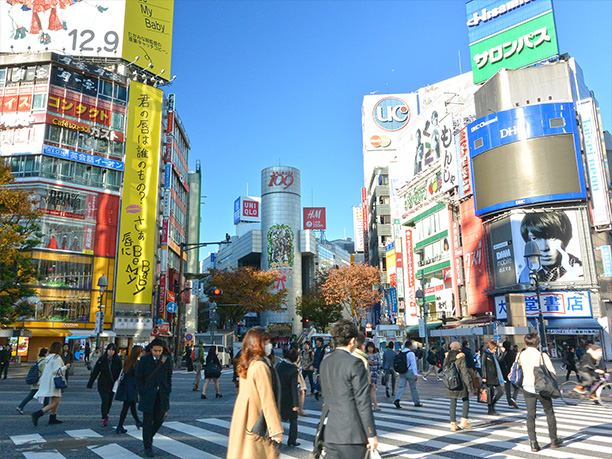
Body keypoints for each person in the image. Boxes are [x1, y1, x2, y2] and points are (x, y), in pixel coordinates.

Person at [319, 319, 378, 458]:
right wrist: (371, 433)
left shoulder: (326, 361)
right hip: (352, 433)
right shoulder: (355, 363)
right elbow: (362, 401)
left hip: (330, 431)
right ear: (352, 341)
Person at [227, 327, 283, 458]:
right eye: (266, 342)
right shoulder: (260, 366)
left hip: (243, 417)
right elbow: (267, 398)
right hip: (257, 420)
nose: (269, 345)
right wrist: (275, 429)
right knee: (258, 453)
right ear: (258, 344)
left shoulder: (247, 364)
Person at [518, 333, 562, 452]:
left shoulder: (521, 354)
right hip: (542, 388)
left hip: (527, 387)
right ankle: (554, 440)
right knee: (549, 412)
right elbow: (552, 372)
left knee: (530, 415)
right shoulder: (541, 355)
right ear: (537, 342)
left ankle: (533, 443)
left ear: (526, 342)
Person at [518, 211, 583, 283]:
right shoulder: (534, 277)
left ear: (565, 237)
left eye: (552, 237)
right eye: (534, 238)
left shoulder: (579, 270)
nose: (544, 248)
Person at [136, 338, 173, 458]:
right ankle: (148, 447)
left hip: (162, 394)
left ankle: (148, 437)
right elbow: (138, 377)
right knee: (147, 422)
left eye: (160, 351)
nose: (158, 353)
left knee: (159, 420)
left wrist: (167, 391)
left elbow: (169, 377)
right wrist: (142, 392)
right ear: (151, 349)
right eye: (155, 350)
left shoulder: (166, 360)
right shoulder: (144, 360)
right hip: (148, 395)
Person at [31, 342, 71, 426]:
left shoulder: (49, 357)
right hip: (54, 381)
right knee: (55, 401)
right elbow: (56, 371)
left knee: (56, 399)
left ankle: (53, 417)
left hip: (48, 381)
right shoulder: (57, 358)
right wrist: (65, 367)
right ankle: (38, 413)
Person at [87, 343, 122, 427]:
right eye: (109, 350)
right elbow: (96, 371)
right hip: (102, 383)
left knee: (109, 401)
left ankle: (106, 414)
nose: (111, 352)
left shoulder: (117, 360)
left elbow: (120, 373)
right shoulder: (102, 359)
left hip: (112, 384)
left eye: (112, 350)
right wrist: (90, 382)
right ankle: (104, 418)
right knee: (105, 400)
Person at [444, 341, 474, 431]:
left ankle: (453, 424)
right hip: (460, 383)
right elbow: (464, 372)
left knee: (453, 403)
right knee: (465, 399)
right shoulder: (461, 357)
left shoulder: (447, 356)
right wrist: (469, 385)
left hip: (450, 383)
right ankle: (464, 421)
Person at [115, 345, 143, 434]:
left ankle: (137, 421)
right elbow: (138, 375)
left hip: (126, 384)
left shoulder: (128, 360)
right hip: (132, 386)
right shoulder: (136, 363)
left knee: (130, 405)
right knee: (128, 405)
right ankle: (120, 425)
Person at [276, 347, 300, 447]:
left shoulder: (279, 365)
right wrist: (296, 404)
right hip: (289, 398)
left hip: (278, 396)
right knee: (293, 419)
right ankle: (292, 440)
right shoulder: (293, 369)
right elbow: (294, 388)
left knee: (277, 419)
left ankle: (274, 440)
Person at [16, 348, 48, 414]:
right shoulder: (44, 361)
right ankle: (20, 406)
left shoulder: (39, 360)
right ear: (45, 354)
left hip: (35, 380)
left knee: (34, 395)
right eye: (47, 353)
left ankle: (46, 408)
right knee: (45, 394)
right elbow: (44, 372)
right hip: (40, 381)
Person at [394, 340, 422, 408]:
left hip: (402, 372)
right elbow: (413, 364)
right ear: (410, 346)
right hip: (409, 372)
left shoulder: (401, 353)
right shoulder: (411, 353)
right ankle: (416, 402)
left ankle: (397, 399)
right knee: (413, 388)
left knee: (401, 386)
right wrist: (416, 374)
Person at [482, 341, 505, 415]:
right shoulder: (485, 354)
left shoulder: (494, 355)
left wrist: (503, 353)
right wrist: (484, 376)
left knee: (500, 392)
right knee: (490, 394)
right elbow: (483, 365)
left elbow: (499, 360)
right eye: (494, 349)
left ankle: (492, 405)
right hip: (489, 376)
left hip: (495, 376)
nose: (495, 350)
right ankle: (490, 409)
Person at [501, 340, 520, 409]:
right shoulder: (513, 354)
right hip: (513, 373)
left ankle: (510, 402)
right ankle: (513, 398)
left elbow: (500, 362)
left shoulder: (503, 355)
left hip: (505, 374)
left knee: (507, 389)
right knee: (516, 387)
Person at [366, 341, 382, 411]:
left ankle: (374, 404)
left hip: (374, 374)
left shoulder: (377, 355)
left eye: (371, 347)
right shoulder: (365, 355)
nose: (370, 349)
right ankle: (375, 404)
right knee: (372, 388)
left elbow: (379, 364)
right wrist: (367, 363)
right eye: (369, 347)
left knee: (372, 388)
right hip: (368, 374)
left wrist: (378, 373)